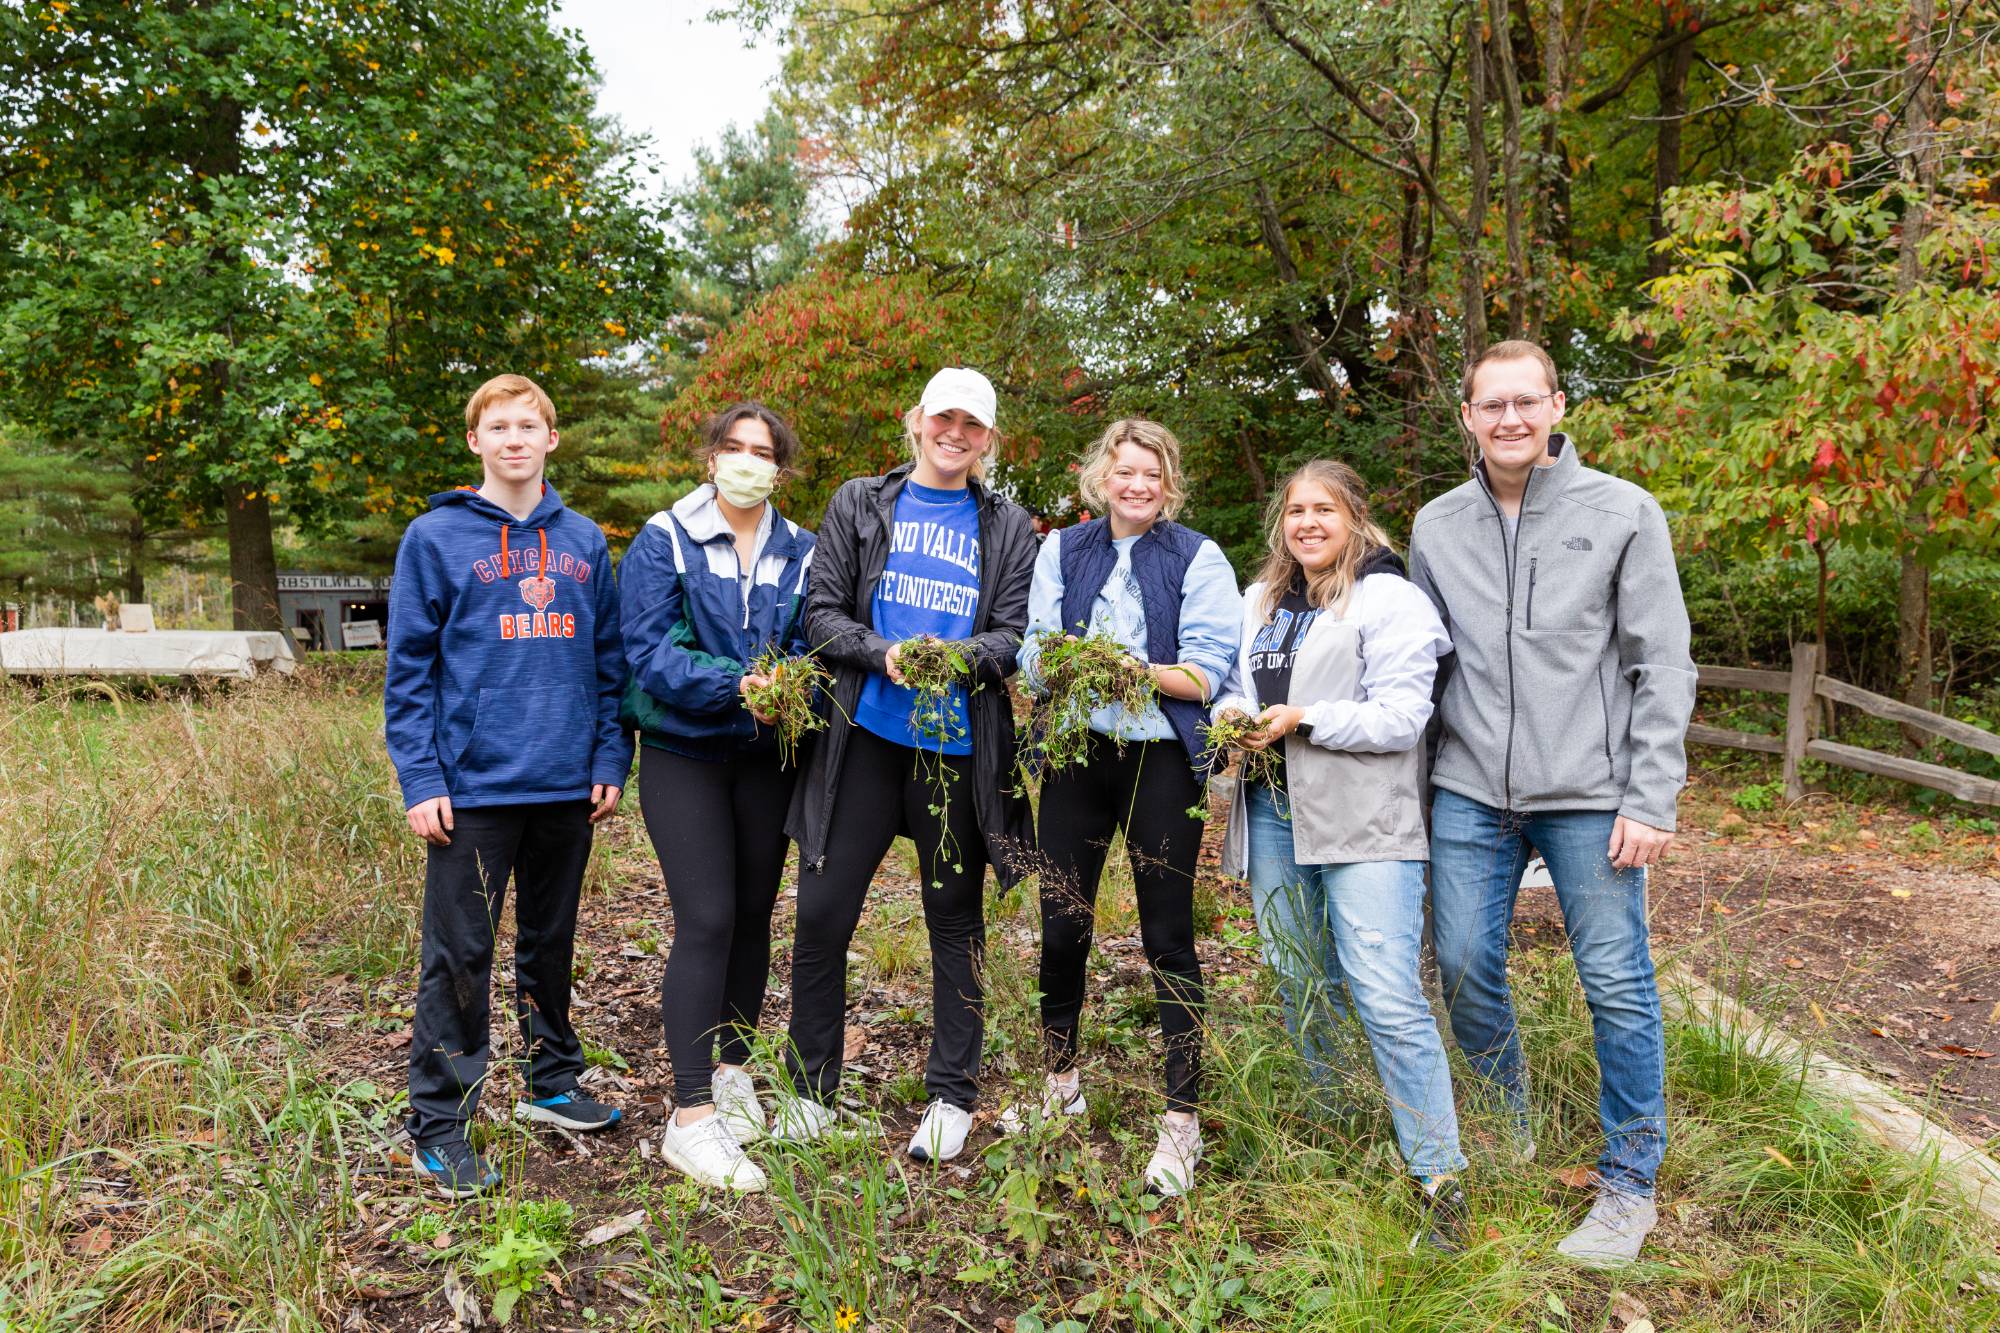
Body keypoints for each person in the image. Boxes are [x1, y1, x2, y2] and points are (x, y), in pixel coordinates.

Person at [1410, 339, 1696, 1267]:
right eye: (1491, 406)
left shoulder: (1622, 513)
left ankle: (1630, 1179)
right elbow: (1420, 667)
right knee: (1457, 959)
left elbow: (1663, 664)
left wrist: (1651, 796)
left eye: (1526, 402)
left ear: (1558, 405)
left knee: (1614, 978)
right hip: (1466, 790)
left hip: (1590, 792)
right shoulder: (1436, 525)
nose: (1510, 421)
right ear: (1467, 417)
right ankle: (1504, 1126)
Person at [776, 366, 1038, 1164]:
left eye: (973, 425)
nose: (955, 434)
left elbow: (1009, 635)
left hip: (954, 751)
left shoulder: (1008, 525)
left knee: (954, 922)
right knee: (822, 913)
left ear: (989, 440)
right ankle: (810, 1090)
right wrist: (884, 653)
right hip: (863, 738)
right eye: (944, 418)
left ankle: (952, 1096)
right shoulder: (861, 501)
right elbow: (820, 613)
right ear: (917, 420)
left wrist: (952, 660)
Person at [385, 373, 633, 1198]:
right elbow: (409, 672)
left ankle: (551, 1082)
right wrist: (421, 777)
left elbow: (608, 664)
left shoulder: (586, 541)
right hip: (474, 790)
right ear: (476, 441)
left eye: (530, 425)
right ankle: (441, 1123)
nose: (516, 438)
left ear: (551, 439)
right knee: (460, 955)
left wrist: (608, 758)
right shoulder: (435, 537)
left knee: (549, 943)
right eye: (500, 427)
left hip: (566, 784)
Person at [1212, 458, 1471, 1249]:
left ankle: (1440, 1177)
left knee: (1386, 992)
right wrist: (1235, 717)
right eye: (1296, 511)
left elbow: (1401, 716)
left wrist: (1303, 718)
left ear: (1355, 517)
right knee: (1299, 979)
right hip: (1274, 814)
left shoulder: (1391, 599)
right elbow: (1229, 683)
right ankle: (1334, 1132)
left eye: (1325, 509)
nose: (1309, 523)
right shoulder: (1259, 600)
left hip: (1365, 824)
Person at [1004, 418, 1240, 1198]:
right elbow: (1034, 650)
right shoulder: (1061, 550)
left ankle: (1182, 1119)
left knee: (1168, 933)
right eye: (1124, 470)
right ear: (1101, 477)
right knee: (1061, 920)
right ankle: (1061, 1080)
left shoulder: (1198, 556)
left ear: (1169, 484)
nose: (1136, 485)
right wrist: (1067, 663)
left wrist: (1135, 670)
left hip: (1160, 759)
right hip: (1076, 756)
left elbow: (1207, 673)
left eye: (1152, 474)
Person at [619, 402, 815, 1194]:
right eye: (732, 447)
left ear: (781, 469)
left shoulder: (800, 548)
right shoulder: (664, 537)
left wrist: (791, 684)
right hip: (684, 752)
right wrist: (734, 686)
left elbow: (810, 635)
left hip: (766, 757)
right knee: (705, 916)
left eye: (761, 452)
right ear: (710, 458)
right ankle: (690, 1115)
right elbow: (649, 649)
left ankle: (734, 1068)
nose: (745, 461)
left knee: (751, 915)